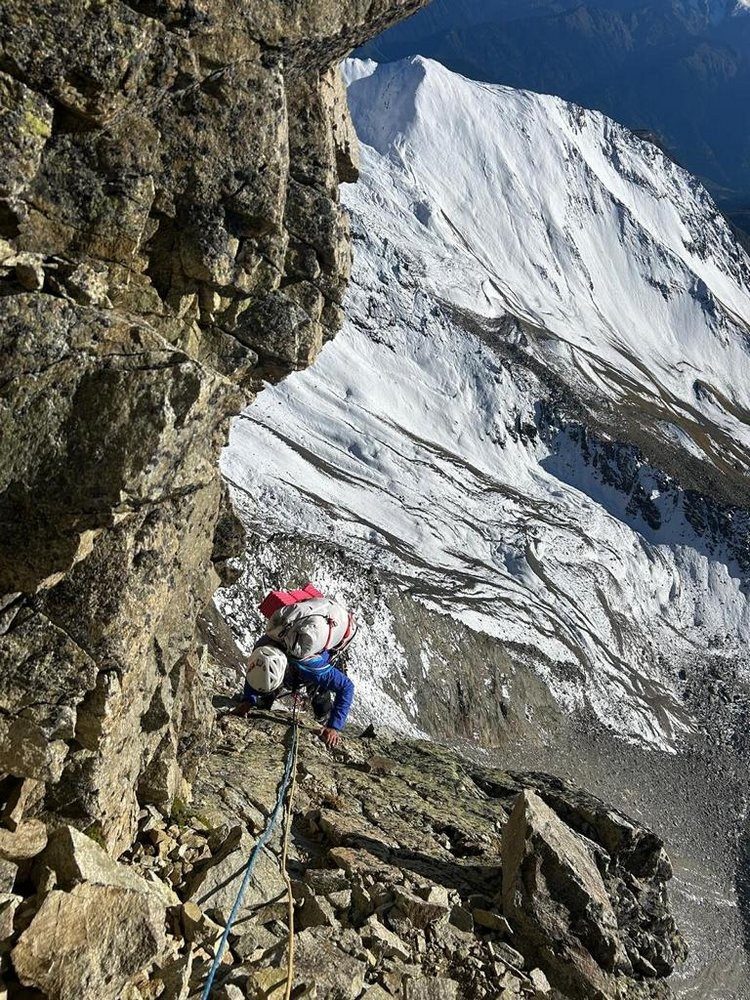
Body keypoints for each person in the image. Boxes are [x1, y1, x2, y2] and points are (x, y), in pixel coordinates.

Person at [234, 636, 354, 748]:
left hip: (312, 668)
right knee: (267, 687)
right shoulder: (262, 651)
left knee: (320, 700)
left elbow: (346, 687)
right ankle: (263, 701)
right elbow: (255, 671)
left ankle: (323, 718)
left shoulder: (312, 667)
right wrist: (248, 700)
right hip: (290, 668)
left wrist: (333, 727)